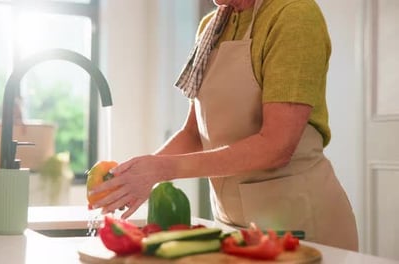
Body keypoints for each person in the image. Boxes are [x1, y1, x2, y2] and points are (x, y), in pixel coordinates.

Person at [89, 0, 359, 251]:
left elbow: (277, 146)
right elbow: (194, 134)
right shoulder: (212, 27)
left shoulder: (294, 15)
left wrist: (162, 169)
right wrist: (136, 175)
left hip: (300, 224)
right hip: (232, 225)